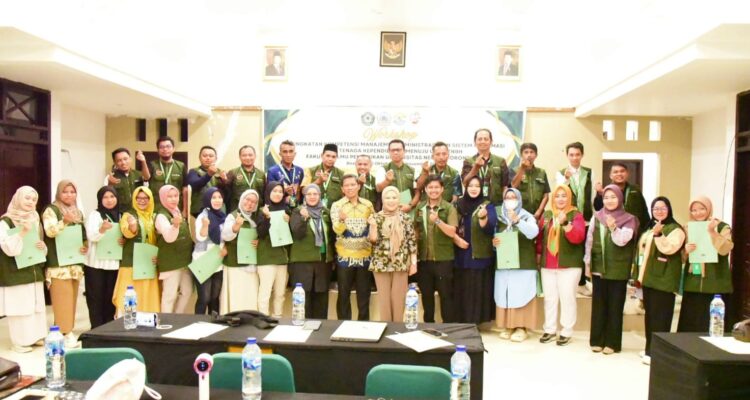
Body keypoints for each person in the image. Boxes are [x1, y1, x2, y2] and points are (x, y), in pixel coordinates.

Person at [584, 185, 638, 354]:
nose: (609, 200)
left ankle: (612, 343)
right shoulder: (597, 217)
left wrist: (614, 228)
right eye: (606, 197)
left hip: (618, 270)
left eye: (613, 197)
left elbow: (623, 241)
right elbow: (589, 241)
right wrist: (587, 263)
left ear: (620, 198)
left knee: (615, 306)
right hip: (598, 268)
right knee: (599, 306)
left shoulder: (629, 219)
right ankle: (597, 340)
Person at [635, 197, 685, 364]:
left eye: (663, 208)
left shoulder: (675, 229)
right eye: (655, 208)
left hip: (664, 280)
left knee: (661, 318)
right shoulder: (651, 226)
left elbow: (670, 248)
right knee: (650, 317)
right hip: (649, 278)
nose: (659, 211)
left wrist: (658, 234)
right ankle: (649, 349)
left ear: (669, 209)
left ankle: (658, 353)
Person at [0, 186, 48, 353]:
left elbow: (38, 244)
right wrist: (22, 233)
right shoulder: (5, 222)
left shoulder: (34, 218)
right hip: (16, 273)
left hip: (33, 271)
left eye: (34, 199)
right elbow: (8, 248)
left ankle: (35, 337)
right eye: (27, 198)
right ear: (18, 198)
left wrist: (42, 246)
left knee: (35, 306)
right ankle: (19, 342)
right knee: (20, 307)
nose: (30, 202)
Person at [537, 185, 586, 346]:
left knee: (567, 298)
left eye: (564, 196)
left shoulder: (575, 215)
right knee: (550, 299)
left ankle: (566, 331)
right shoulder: (547, 215)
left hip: (569, 265)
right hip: (548, 265)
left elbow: (578, 237)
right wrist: (538, 256)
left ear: (569, 197)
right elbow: (540, 239)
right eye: (557, 196)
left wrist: (565, 223)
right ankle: (550, 329)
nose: (560, 199)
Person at [677, 196, 734, 333]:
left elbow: (726, 249)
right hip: (693, 283)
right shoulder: (687, 227)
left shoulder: (721, 226)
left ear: (709, 209)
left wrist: (712, 232)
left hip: (715, 282)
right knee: (691, 323)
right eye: (694, 210)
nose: (698, 213)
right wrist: (686, 250)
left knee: (713, 322)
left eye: (702, 209)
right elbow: (680, 257)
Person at [43, 180, 87, 348]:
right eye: (65, 192)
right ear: (59, 193)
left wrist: (84, 246)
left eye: (72, 192)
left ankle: (66, 332)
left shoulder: (78, 212)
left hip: (74, 263)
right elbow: (49, 231)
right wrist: (65, 222)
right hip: (58, 265)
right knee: (62, 299)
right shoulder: (51, 210)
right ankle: (64, 333)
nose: (69, 195)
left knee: (71, 300)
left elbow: (82, 235)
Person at [493, 188, 540, 342]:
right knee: (507, 294)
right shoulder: (500, 217)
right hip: (505, 265)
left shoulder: (527, 216)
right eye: (507, 197)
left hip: (523, 265)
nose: (510, 200)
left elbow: (534, 232)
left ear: (519, 199)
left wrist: (518, 221)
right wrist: (495, 242)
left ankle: (521, 327)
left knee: (521, 294)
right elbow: (495, 237)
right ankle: (509, 325)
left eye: (513, 197)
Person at [367, 186, 418, 322]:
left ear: (398, 199)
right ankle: (386, 327)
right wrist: (373, 226)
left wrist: (413, 264)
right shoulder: (376, 217)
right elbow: (372, 241)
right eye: (388, 198)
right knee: (384, 299)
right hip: (380, 264)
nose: (391, 200)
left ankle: (397, 327)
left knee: (399, 299)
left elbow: (412, 241)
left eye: (394, 197)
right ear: (383, 200)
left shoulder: (405, 218)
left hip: (400, 263)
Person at [452, 176, 497, 325]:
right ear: (466, 188)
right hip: (461, 253)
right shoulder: (458, 204)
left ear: (481, 189)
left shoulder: (487, 205)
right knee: (463, 288)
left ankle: (475, 323)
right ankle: (462, 322)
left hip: (480, 255)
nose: (473, 189)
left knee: (477, 289)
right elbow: (451, 226)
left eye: (477, 186)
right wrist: (457, 240)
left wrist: (483, 218)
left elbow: (491, 228)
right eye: (470, 185)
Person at [331, 174, 376, 320]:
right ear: (342, 189)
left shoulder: (368, 205)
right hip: (345, 258)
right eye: (346, 185)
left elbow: (373, 227)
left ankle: (363, 326)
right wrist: (342, 220)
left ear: (358, 186)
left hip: (365, 257)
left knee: (364, 295)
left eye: (352, 184)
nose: (350, 188)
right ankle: (343, 325)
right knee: (343, 295)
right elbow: (337, 230)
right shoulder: (337, 206)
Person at [414, 175, 458, 323]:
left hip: (443, 259)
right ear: (426, 189)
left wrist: (438, 221)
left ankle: (448, 328)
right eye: (430, 187)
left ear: (442, 189)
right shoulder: (420, 207)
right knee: (426, 297)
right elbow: (416, 231)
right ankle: (428, 327)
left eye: (436, 187)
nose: (433, 190)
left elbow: (452, 232)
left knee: (446, 296)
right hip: (424, 260)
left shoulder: (449, 207)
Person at [289, 184, 335, 319]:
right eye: (309, 194)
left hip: (323, 261)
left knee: (321, 298)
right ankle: (303, 327)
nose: (312, 197)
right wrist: (304, 219)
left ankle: (321, 327)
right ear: (304, 196)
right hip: (303, 262)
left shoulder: (326, 212)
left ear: (320, 196)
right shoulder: (298, 211)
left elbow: (332, 236)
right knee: (304, 297)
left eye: (315, 194)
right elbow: (297, 234)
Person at [113, 186, 161, 314]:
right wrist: (133, 227)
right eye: (138, 198)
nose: (142, 201)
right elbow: (126, 233)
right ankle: (128, 321)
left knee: (148, 296)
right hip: (131, 263)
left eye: (145, 198)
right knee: (130, 295)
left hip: (149, 262)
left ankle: (146, 321)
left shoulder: (154, 216)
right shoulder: (128, 215)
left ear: (150, 199)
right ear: (134, 199)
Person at [556, 142, 594, 296]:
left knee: (584, 251)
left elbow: (592, 196)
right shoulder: (561, 173)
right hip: (569, 218)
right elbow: (558, 193)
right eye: (571, 155)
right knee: (570, 250)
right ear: (567, 155)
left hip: (586, 218)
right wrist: (565, 180)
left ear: (582, 155)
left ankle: (582, 283)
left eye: (577, 154)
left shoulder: (589, 172)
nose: (574, 158)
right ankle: (567, 283)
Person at [84, 186, 124, 328]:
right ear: (100, 199)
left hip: (114, 263)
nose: (109, 200)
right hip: (96, 263)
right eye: (105, 197)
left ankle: (108, 328)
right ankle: (96, 328)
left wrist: (124, 240)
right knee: (96, 298)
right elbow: (91, 236)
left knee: (110, 298)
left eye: (112, 196)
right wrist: (102, 229)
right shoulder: (95, 215)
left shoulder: (121, 215)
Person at [155, 185, 193, 314]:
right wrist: (175, 226)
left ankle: (177, 317)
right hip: (171, 262)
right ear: (163, 198)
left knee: (187, 291)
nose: (173, 199)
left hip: (185, 260)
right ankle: (166, 321)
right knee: (169, 295)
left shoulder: (177, 211)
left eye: (175, 196)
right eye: (169, 196)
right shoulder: (161, 216)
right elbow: (169, 238)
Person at [221, 189, 261, 313]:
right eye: (247, 199)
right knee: (237, 296)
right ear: (242, 200)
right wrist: (236, 226)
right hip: (235, 263)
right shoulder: (233, 216)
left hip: (252, 262)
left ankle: (250, 317)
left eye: (254, 202)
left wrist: (259, 241)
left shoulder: (257, 218)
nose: (250, 203)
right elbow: (225, 236)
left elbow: (262, 234)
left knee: (250, 294)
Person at [256, 182, 290, 317]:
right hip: (266, 258)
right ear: (268, 192)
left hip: (282, 258)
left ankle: (277, 318)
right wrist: (267, 218)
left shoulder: (286, 211)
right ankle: (263, 319)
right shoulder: (261, 211)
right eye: (274, 191)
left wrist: (289, 221)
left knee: (280, 293)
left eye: (280, 191)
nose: (277, 194)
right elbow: (261, 233)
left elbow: (291, 237)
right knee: (265, 292)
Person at [192, 187, 228, 315]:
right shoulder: (203, 216)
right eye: (214, 197)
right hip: (203, 261)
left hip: (218, 262)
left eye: (219, 197)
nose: (217, 200)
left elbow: (226, 237)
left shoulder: (223, 216)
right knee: (204, 298)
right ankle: (198, 323)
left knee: (215, 298)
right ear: (208, 199)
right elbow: (200, 237)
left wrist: (226, 247)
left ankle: (214, 324)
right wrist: (205, 226)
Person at [593, 163, 649, 234]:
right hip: (612, 230)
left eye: (622, 171)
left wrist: (646, 229)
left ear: (627, 174)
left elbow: (644, 211)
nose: (619, 174)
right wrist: (599, 194)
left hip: (634, 230)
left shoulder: (635, 190)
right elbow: (598, 208)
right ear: (610, 176)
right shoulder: (607, 191)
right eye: (615, 172)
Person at [461, 128, 511, 205]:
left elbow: (505, 187)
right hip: (474, 205)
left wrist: (506, 205)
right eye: (480, 139)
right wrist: (475, 168)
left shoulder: (500, 161)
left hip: (496, 205)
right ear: (475, 142)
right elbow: (465, 182)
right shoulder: (468, 161)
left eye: (486, 139)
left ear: (491, 142)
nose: (483, 141)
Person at [376, 139, 420, 213]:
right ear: (389, 152)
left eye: (398, 150)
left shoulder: (412, 170)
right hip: (389, 211)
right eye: (393, 150)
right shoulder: (383, 169)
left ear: (404, 151)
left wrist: (410, 206)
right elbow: (378, 189)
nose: (395, 152)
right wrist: (387, 181)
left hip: (409, 210)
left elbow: (417, 192)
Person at [148, 136, 187, 214]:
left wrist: (185, 209)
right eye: (162, 147)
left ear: (173, 149)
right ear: (157, 150)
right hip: (156, 208)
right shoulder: (152, 165)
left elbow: (185, 189)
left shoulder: (181, 166)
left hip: (176, 208)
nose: (165, 149)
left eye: (168, 146)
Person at [187, 145, 229, 217]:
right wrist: (208, 175)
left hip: (218, 211)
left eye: (211, 156)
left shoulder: (221, 172)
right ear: (199, 158)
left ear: (216, 158)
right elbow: (194, 185)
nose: (208, 158)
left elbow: (227, 195)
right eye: (205, 155)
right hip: (200, 211)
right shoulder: (193, 171)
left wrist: (225, 182)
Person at [511, 142, 550, 220]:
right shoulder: (514, 170)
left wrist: (539, 211)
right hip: (520, 214)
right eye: (526, 152)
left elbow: (546, 195)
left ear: (536, 155)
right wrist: (522, 169)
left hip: (538, 215)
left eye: (532, 152)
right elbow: (513, 187)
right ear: (521, 155)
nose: (529, 155)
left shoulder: (541, 172)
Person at [106, 147, 149, 212]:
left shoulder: (138, 174)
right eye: (119, 160)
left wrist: (143, 161)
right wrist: (110, 184)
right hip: (120, 213)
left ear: (130, 159)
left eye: (125, 159)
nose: (123, 162)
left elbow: (147, 177)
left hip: (139, 211)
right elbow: (107, 197)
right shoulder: (110, 178)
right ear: (115, 162)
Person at [303, 143, 345, 208]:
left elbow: (345, 195)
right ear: (322, 156)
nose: (330, 159)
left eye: (333, 157)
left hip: (334, 211)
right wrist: (317, 182)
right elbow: (303, 191)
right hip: (313, 210)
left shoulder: (341, 174)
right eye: (328, 156)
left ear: (336, 158)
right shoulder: (310, 171)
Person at [226, 145, 266, 211]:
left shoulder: (261, 174)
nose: (247, 157)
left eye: (250, 155)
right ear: (240, 157)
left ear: (255, 156)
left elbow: (264, 195)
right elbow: (227, 194)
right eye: (244, 155)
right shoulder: (232, 173)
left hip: (257, 212)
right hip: (238, 211)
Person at [267, 140, 304, 208]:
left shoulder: (300, 170)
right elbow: (270, 193)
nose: (288, 155)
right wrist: (284, 191)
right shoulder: (272, 171)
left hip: (295, 207)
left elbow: (299, 189)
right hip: (279, 208)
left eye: (291, 151)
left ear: (295, 154)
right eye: (285, 152)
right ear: (280, 154)